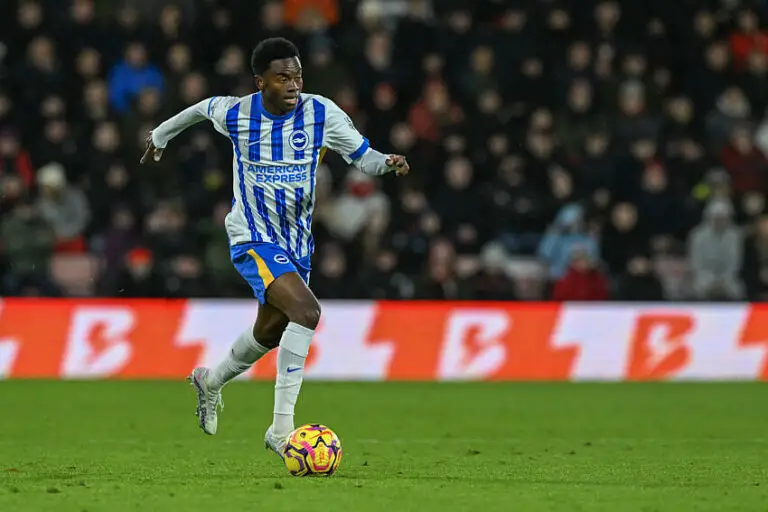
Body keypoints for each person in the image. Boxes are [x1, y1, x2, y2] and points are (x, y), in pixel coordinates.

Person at [139, 38, 409, 457]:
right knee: (307, 312)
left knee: (269, 331)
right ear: (260, 81)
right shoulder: (237, 113)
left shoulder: (322, 113)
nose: (293, 84)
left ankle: (210, 381)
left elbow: (362, 157)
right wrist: (160, 135)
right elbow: (200, 108)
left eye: (297, 76)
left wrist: (386, 162)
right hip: (252, 236)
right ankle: (281, 431)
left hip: (296, 243)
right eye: (282, 77)